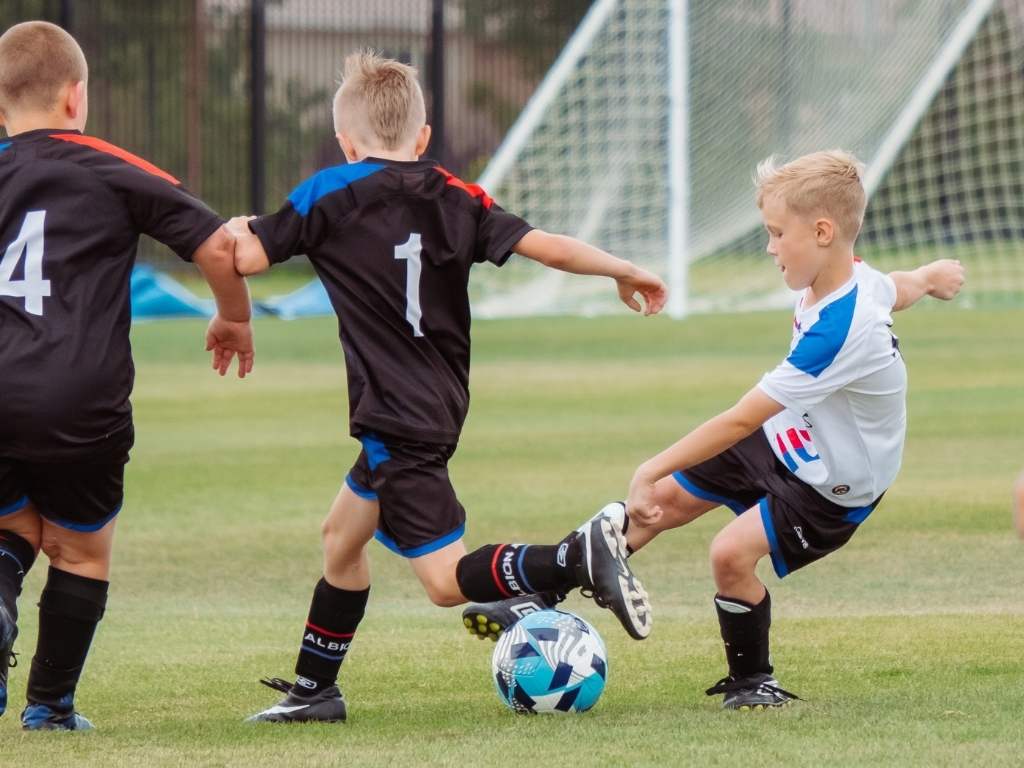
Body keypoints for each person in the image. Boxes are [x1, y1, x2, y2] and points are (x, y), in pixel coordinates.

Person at [228, 50, 665, 723]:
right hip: (437, 402)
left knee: (441, 582)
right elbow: (544, 243)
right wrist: (623, 269)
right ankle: (316, 689)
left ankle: (573, 557)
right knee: (341, 539)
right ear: (424, 138)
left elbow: (249, 257)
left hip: (392, 415)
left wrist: (232, 231)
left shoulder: (329, 192)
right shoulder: (458, 196)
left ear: (346, 143)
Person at [463, 149, 965, 710]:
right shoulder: (851, 282)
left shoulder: (843, 331)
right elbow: (893, 287)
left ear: (823, 232)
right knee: (663, 504)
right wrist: (930, 276)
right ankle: (539, 595)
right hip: (790, 434)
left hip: (834, 485)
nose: (770, 247)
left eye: (777, 233)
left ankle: (754, 681)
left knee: (728, 554)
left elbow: (740, 418)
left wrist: (650, 466)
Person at [0, 21, 254, 731]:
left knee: (10, 526)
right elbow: (215, 245)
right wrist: (234, 317)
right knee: (80, 547)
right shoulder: (111, 165)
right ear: (77, 97)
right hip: (80, 394)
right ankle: (48, 708)